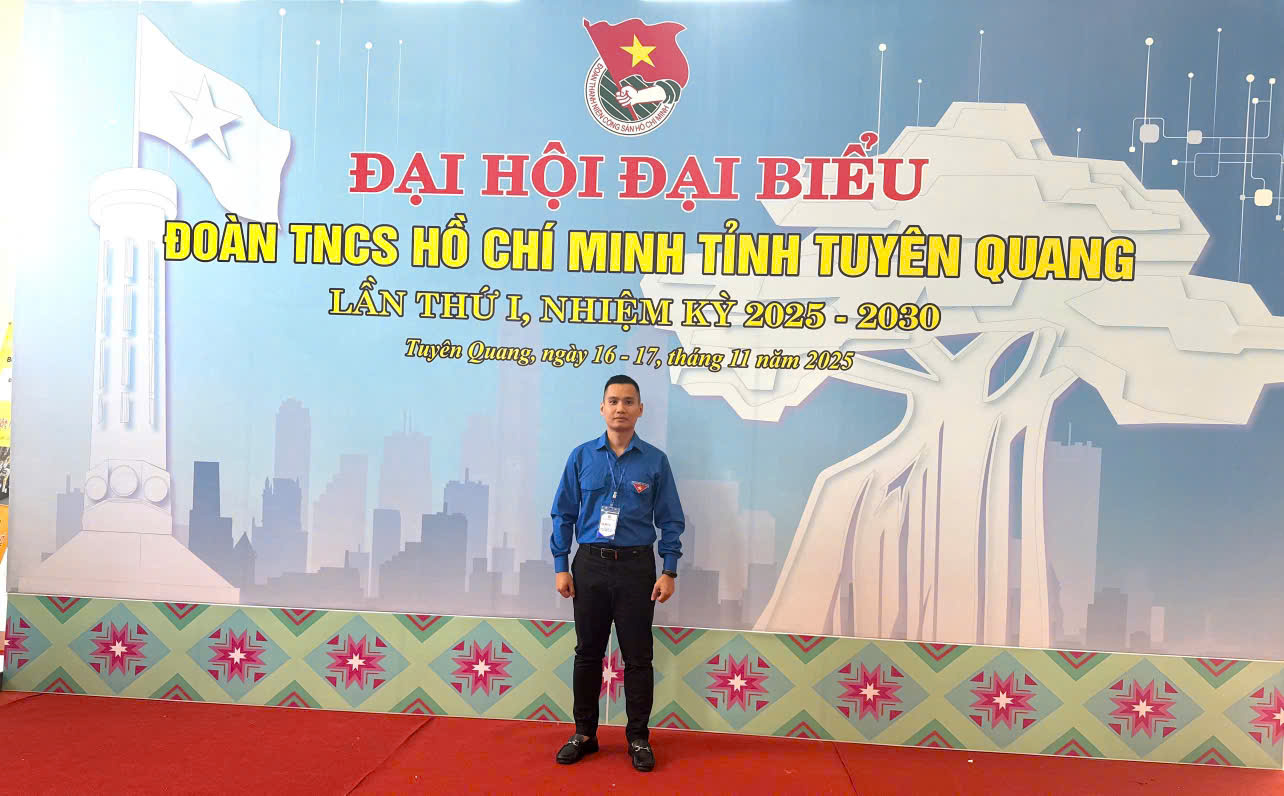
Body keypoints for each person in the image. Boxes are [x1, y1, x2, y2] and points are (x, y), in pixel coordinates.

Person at [549, 374, 685, 772]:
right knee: (587, 654)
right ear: (602, 408)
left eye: (628, 401)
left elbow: (671, 519)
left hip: (637, 568)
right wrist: (560, 565)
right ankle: (584, 734)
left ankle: (638, 738)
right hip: (589, 565)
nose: (620, 408)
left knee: (638, 658)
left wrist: (669, 570)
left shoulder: (655, 461)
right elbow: (563, 513)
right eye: (613, 401)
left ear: (640, 409)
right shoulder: (581, 457)